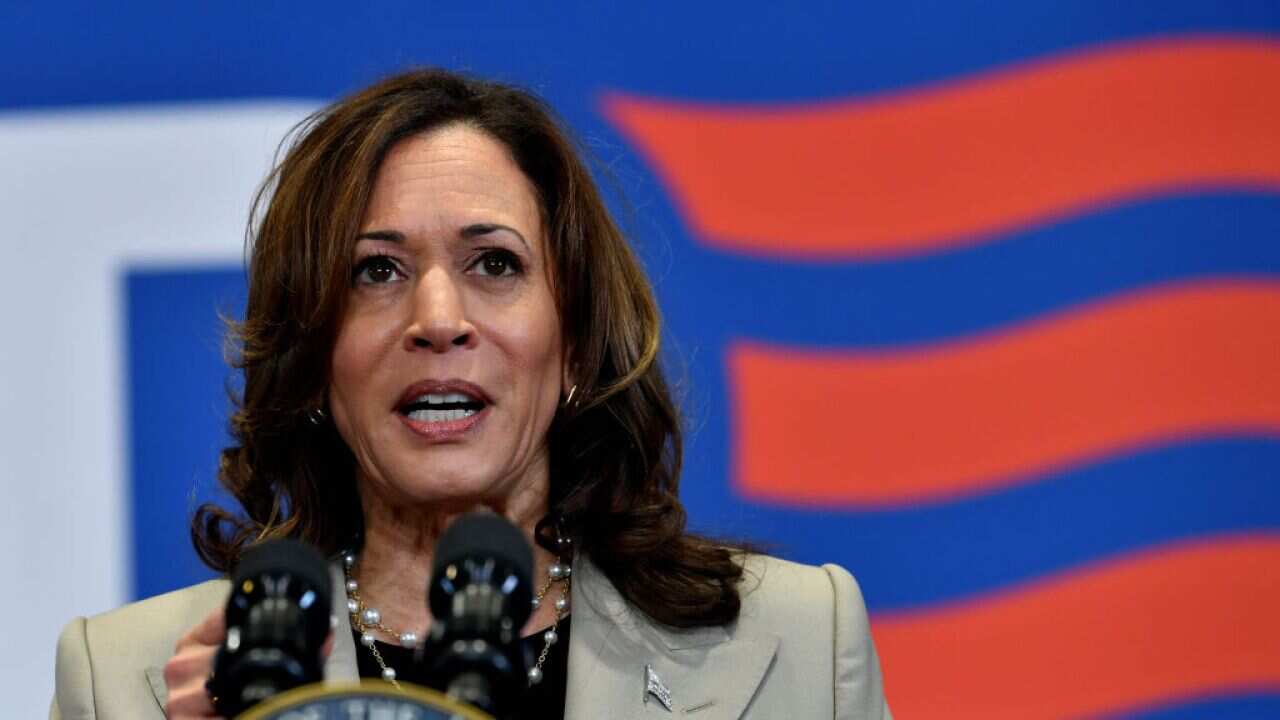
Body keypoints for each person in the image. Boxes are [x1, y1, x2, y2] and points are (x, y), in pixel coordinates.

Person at [50, 69, 891, 719]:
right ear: (312, 357)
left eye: (495, 264)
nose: (438, 319)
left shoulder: (793, 641)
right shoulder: (129, 680)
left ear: (575, 345)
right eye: (376, 272)